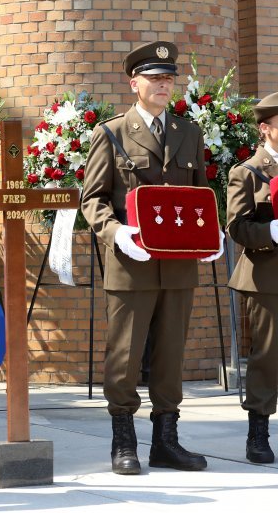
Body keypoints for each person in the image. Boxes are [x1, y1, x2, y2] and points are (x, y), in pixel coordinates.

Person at [81, 40, 224, 476]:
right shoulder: (110, 133)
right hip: (132, 263)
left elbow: (198, 193)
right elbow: (93, 200)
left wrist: (210, 231)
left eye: (169, 78)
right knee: (124, 356)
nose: (165, 85)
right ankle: (123, 440)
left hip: (179, 263)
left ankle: (166, 440)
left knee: (170, 354)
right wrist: (117, 233)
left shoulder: (188, 133)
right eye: (155, 78)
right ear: (134, 84)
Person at [226, 91, 278, 464]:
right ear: (265, 129)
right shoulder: (246, 172)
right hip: (266, 277)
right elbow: (237, 228)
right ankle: (258, 431)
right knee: (268, 356)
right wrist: (273, 230)